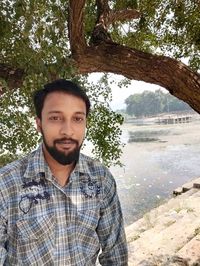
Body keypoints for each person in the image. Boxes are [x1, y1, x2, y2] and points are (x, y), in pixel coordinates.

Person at [0, 79, 128, 265]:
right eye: (55, 118)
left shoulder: (100, 179)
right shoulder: (6, 185)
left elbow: (115, 255)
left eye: (77, 119)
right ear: (39, 124)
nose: (67, 131)